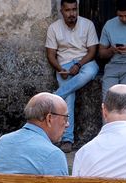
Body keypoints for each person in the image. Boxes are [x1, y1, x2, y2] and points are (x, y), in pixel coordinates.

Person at [46, 0, 99, 153]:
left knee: (91, 71)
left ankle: (56, 95)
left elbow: (92, 51)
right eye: (68, 10)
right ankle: (67, 139)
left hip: (85, 62)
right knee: (69, 98)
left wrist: (79, 65)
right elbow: (50, 55)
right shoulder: (54, 28)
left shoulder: (87, 24)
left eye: (74, 10)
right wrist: (60, 69)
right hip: (64, 65)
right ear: (62, 11)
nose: (72, 14)